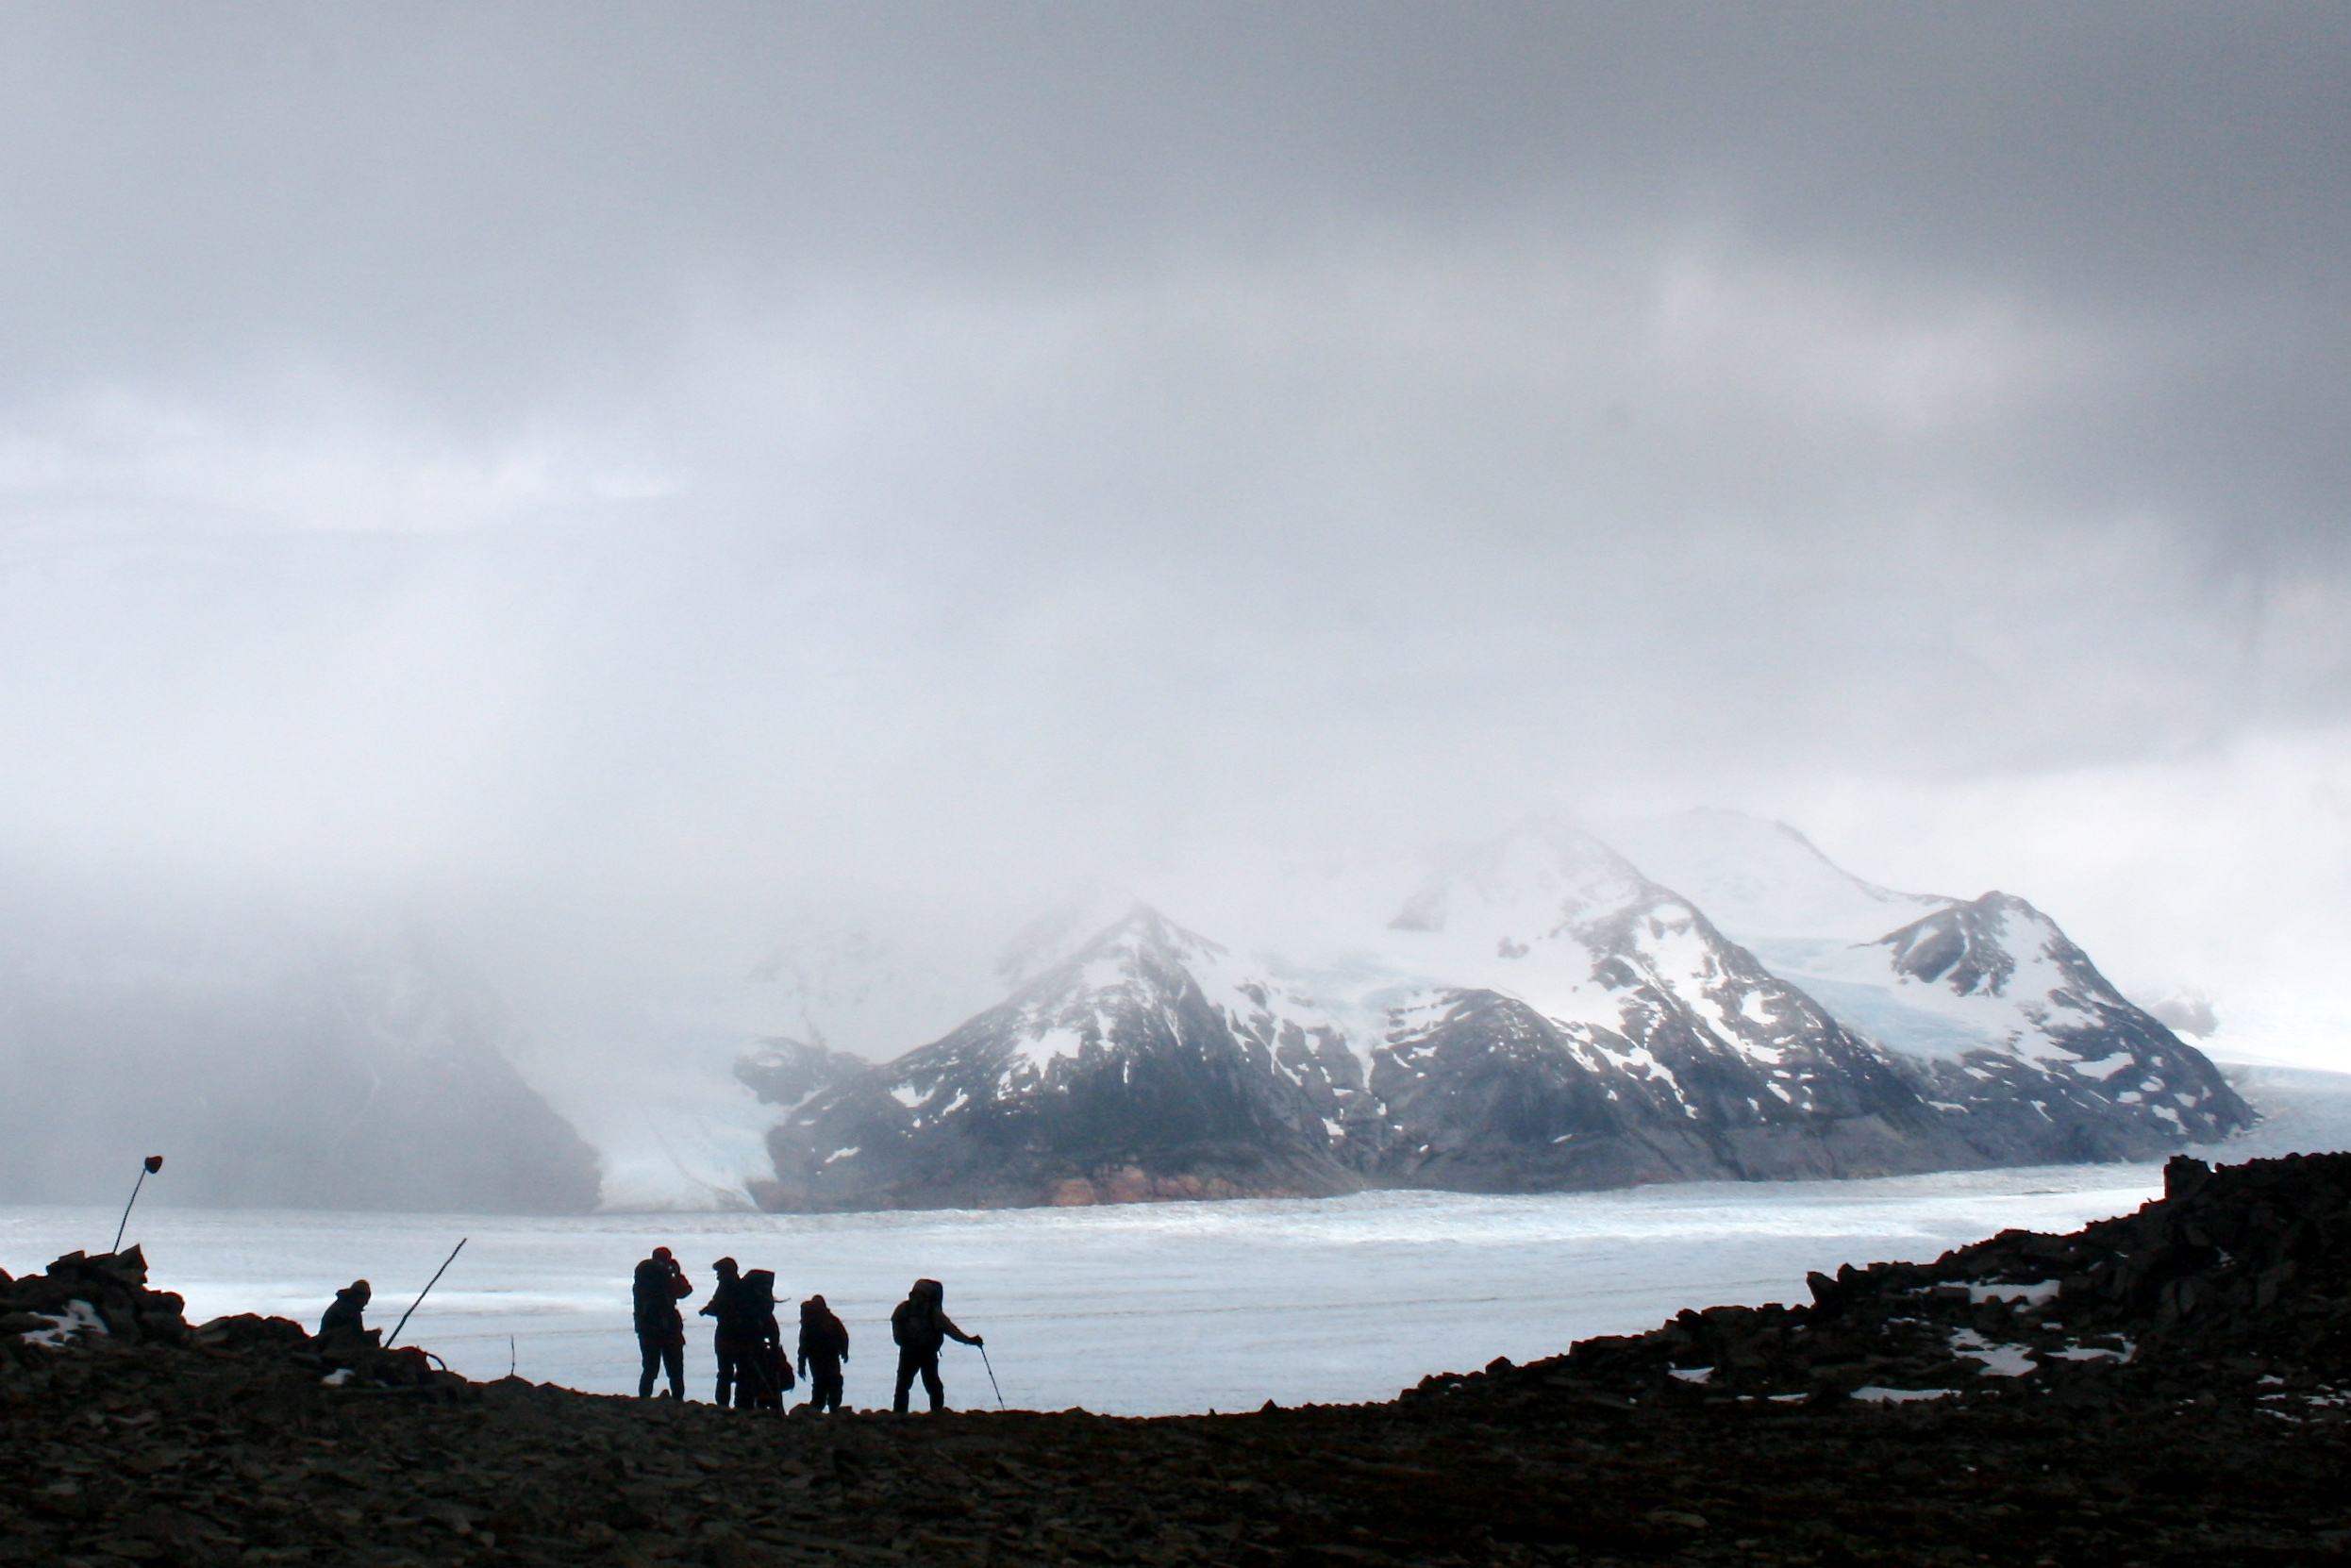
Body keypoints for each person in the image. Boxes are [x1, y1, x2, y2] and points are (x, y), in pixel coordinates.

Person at [890, 1277, 981, 1414]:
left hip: (914, 1352)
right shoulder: (930, 1311)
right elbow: (950, 1330)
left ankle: (902, 1414)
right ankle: (934, 1413)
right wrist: (969, 1340)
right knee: (918, 1385)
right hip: (922, 1352)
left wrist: (969, 1340)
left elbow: (950, 1329)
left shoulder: (905, 1309)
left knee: (913, 1384)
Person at [632, 1246, 692, 1399]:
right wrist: (677, 1273)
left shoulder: (642, 1280)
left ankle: (643, 1399)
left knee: (650, 1367)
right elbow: (685, 1291)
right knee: (675, 1369)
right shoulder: (665, 1279)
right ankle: (678, 1399)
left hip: (647, 1328)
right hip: (668, 1328)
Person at [735, 1269, 790, 1411]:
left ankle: (747, 1407)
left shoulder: (750, 1300)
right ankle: (770, 1407)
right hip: (758, 1346)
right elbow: (771, 1329)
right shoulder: (758, 1302)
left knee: (750, 1378)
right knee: (763, 1378)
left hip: (752, 1346)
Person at [699, 1258, 747, 1407]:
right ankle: (742, 1404)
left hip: (727, 1333)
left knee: (725, 1371)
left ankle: (722, 1405)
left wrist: (707, 1310)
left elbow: (718, 1306)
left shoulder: (726, 1286)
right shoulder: (743, 1286)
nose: (718, 1276)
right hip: (743, 1335)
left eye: (719, 1272)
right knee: (742, 1371)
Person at [798, 1293, 850, 1413]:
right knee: (831, 1381)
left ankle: (820, 1407)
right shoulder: (830, 1320)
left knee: (821, 1382)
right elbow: (843, 1336)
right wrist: (844, 1351)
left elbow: (803, 1347)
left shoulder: (808, 1323)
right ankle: (830, 1406)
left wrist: (801, 1365)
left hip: (818, 1358)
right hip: (828, 1356)